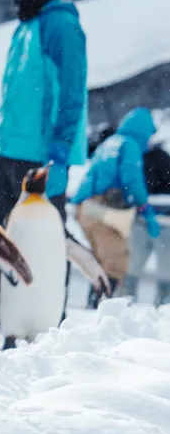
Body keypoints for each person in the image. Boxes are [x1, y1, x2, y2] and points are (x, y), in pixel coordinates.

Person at [0, 0, 88, 323]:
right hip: (10, 151)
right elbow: (13, 96)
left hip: (40, 157)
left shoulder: (61, 25)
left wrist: (58, 152)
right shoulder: (27, 25)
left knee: (43, 242)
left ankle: (45, 318)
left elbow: (71, 94)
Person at [71, 108, 160, 307]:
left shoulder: (109, 143)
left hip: (85, 208)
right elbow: (132, 180)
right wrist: (146, 210)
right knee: (116, 262)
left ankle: (95, 303)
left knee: (100, 263)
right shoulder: (129, 145)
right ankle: (101, 308)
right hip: (101, 208)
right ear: (142, 130)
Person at [120, 143, 170, 305]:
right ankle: (164, 306)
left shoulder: (141, 159)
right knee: (166, 270)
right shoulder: (162, 159)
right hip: (165, 222)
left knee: (133, 264)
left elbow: (136, 187)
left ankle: (125, 301)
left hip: (142, 219)